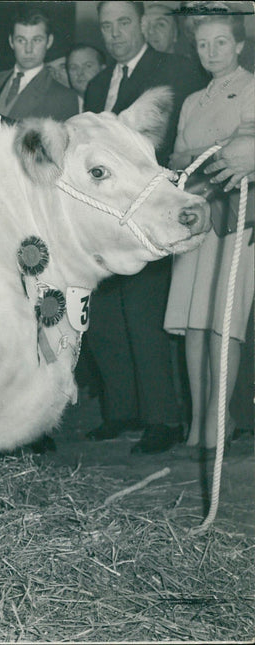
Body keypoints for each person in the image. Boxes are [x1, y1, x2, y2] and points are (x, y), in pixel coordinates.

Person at [82, 0, 207, 453]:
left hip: (153, 210)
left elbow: (185, 140)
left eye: (123, 23)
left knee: (145, 310)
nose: (115, 34)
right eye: (106, 26)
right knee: (108, 313)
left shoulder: (174, 69)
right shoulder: (98, 84)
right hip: (108, 217)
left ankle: (162, 419)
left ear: (142, 24)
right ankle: (122, 411)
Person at [163, 4, 254, 458]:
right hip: (194, 215)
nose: (212, 51)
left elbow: (241, 151)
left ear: (239, 44)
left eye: (221, 42)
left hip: (237, 217)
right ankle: (198, 424)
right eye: (203, 44)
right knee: (194, 324)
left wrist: (207, 153)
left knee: (223, 323)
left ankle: (222, 421)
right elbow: (175, 158)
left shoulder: (253, 88)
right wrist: (216, 149)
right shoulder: (192, 101)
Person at [0, 10, 79, 122]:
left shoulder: (64, 97)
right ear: (11, 41)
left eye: (37, 40)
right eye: (21, 40)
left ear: (49, 41)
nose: (28, 49)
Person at [66, 44, 107, 112]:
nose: (80, 73)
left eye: (88, 66)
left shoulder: (113, 103)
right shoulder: (62, 106)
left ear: (103, 70)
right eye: (74, 67)